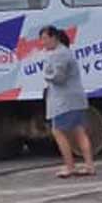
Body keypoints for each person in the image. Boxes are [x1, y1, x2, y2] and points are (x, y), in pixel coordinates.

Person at [40, 25, 96, 178]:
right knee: (78, 131)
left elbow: (59, 78)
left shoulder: (58, 54)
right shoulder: (65, 52)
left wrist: (46, 74)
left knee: (58, 131)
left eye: (45, 38)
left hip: (64, 101)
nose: (43, 42)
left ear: (54, 38)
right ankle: (89, 165)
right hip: (75, 99)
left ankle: (70, 166)